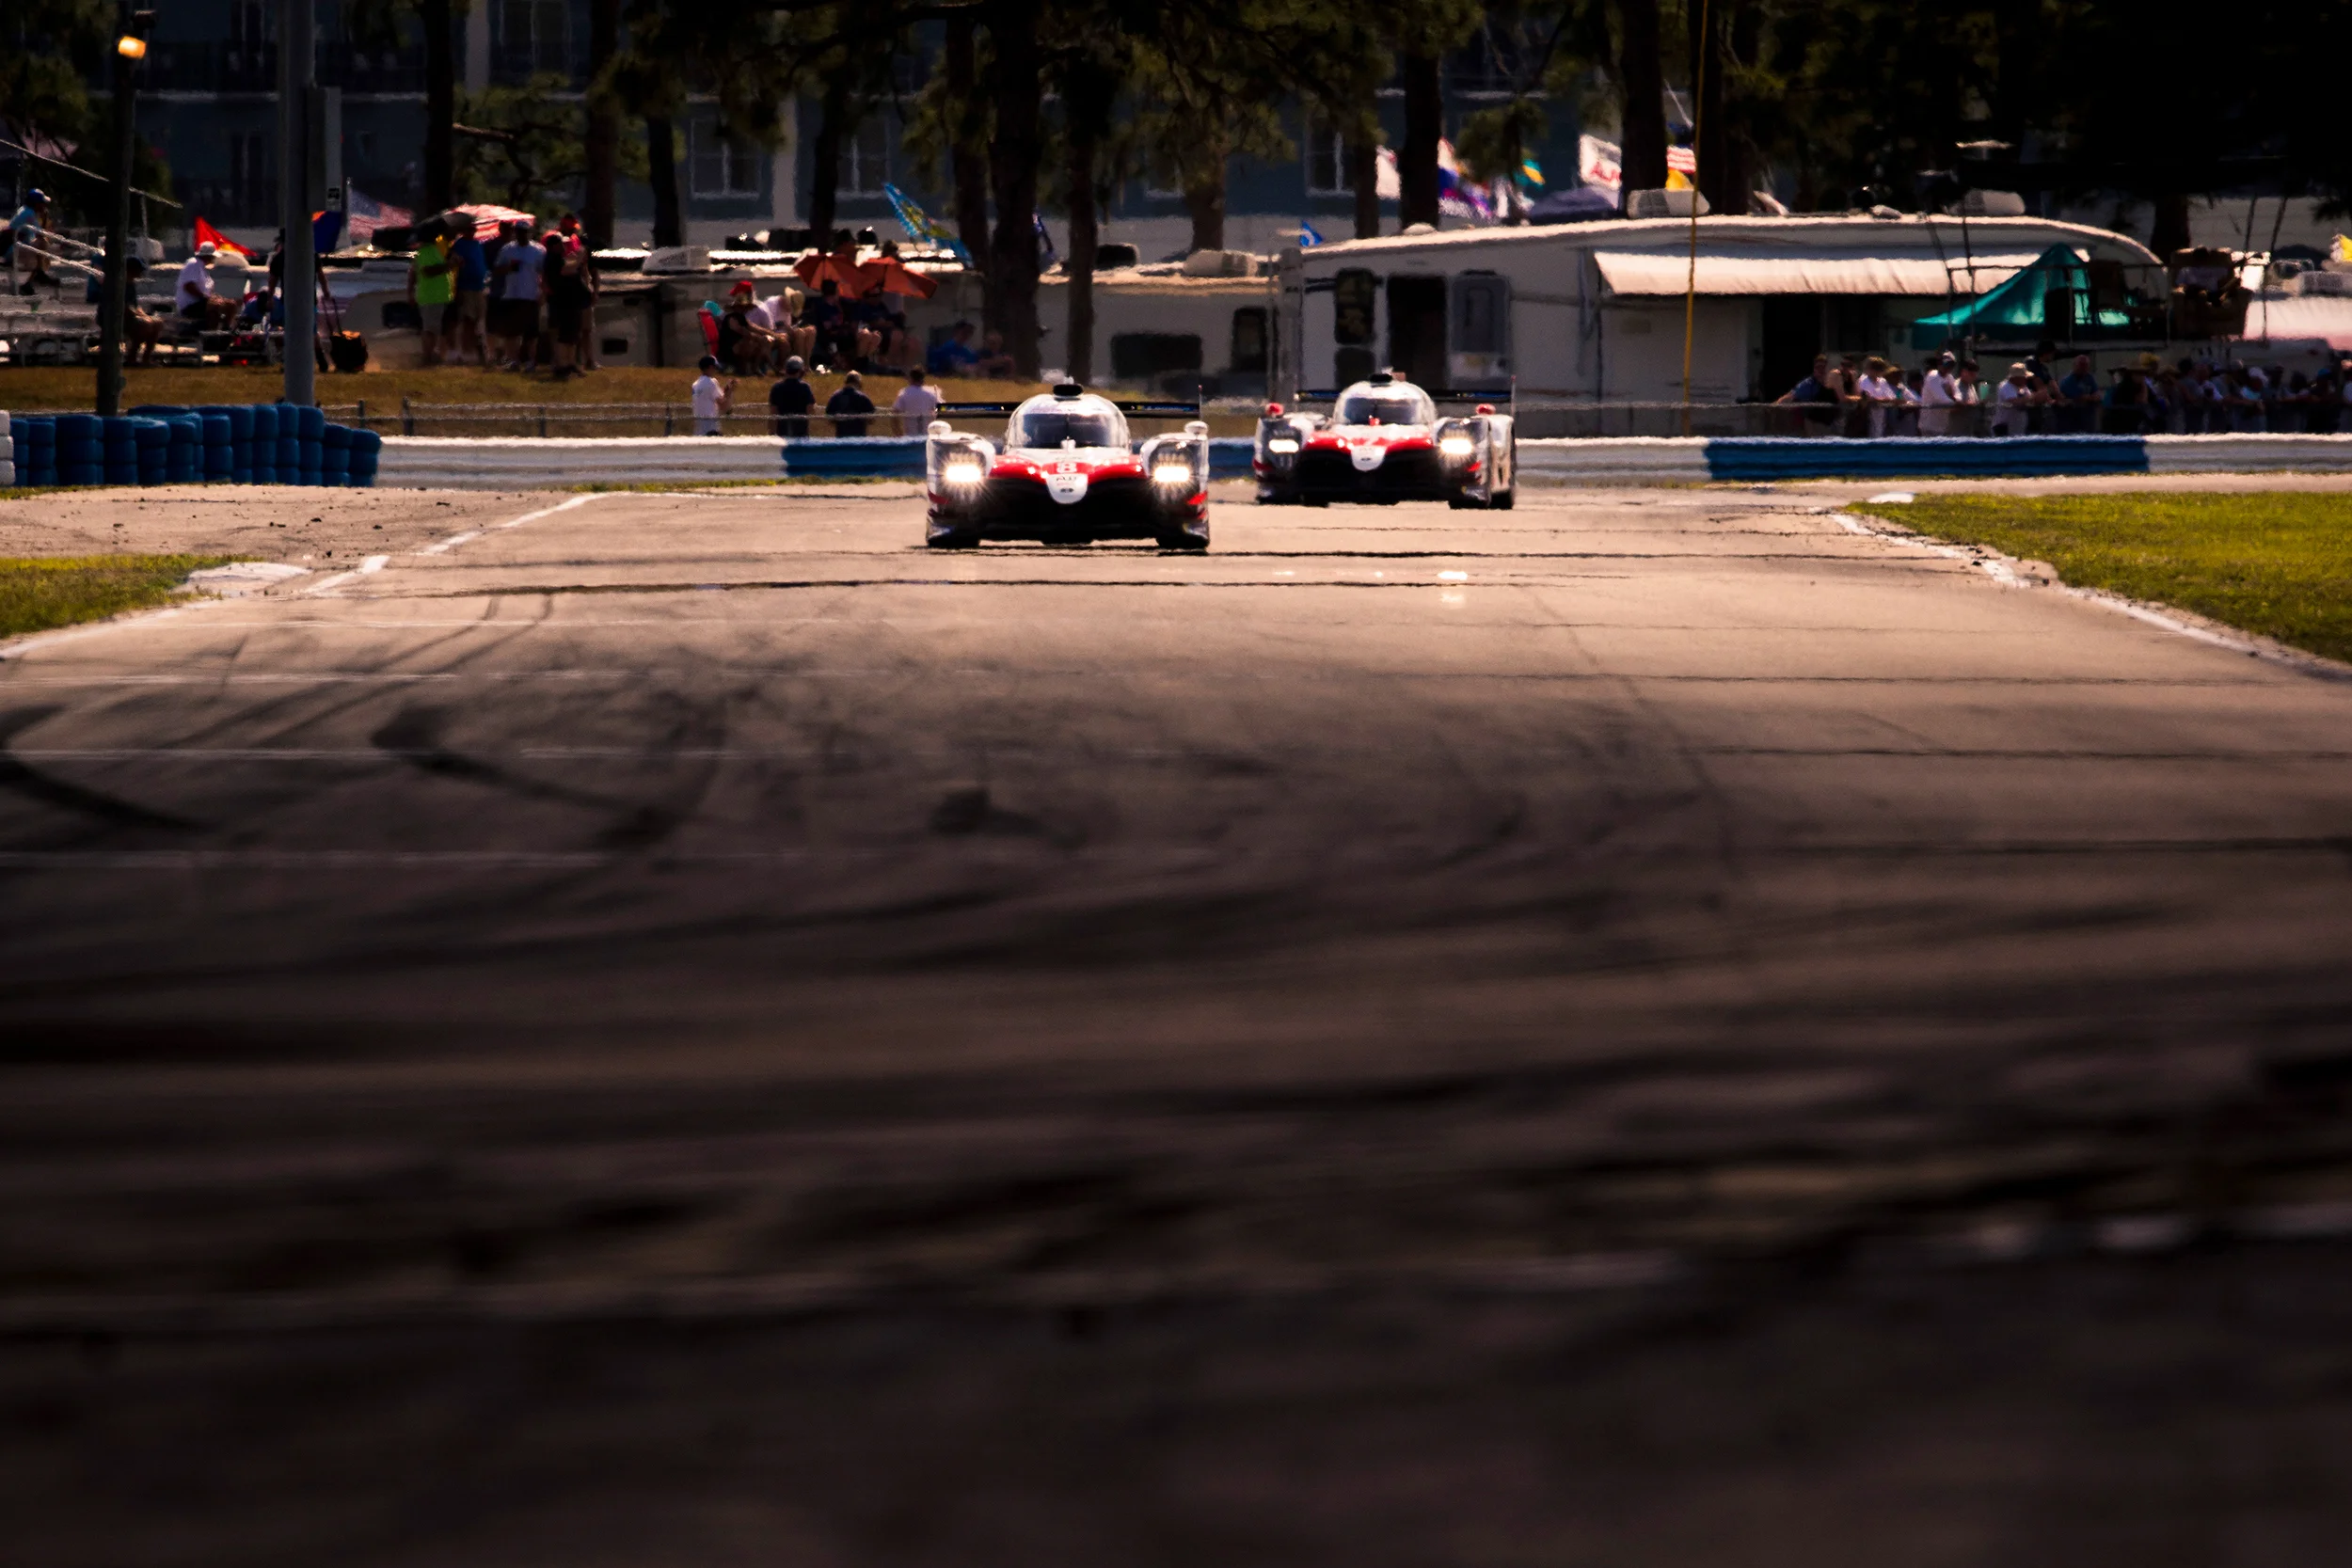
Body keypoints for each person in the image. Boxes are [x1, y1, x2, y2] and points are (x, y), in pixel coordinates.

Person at [490, 218, 546, 371]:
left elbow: (544, 273)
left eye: (525, 232)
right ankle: (513, 360)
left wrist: (543, 292)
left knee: (531, 332)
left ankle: (531, 361)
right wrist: (509, 267)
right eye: (519, 232)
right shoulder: (507, 249)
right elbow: (497, 269)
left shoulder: (538, 250)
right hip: (511, 294)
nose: (522, 235)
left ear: (530, 233)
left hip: (531, 295)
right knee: (512, 332)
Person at [545, 216, 596, 376]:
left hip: (572, 301)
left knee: (573, 334)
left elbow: (568, 263)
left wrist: (578, 256)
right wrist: (579, 256)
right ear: (553, 246)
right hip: (564, 301)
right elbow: (567, 270)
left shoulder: (559, 258)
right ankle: (563, 364)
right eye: (561, 244)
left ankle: (571, 362)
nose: (563, 246)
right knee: (565, 335)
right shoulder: (552, 259)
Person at [86, 257, 163, 362]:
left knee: (158, 323)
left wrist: (145, 316)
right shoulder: (117, 284)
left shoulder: (131, 284)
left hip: (128, 317)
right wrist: (142, 317)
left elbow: (134, 306)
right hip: (113, 319)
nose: (141, 273)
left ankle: (146, 358)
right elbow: (122, 306)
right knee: (145, 325)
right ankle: (132, 357)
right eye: (138, 270)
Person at [407, 220, 453, 364]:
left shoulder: (428, 250)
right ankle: (427, 357)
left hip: (435, 296)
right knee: (430, 329)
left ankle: (430, 355)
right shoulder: (427, 251)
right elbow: (427, 271)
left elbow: (413, 274)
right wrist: (449, 265)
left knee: (433, 328)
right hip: (432, 296)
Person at [1773, 355, 1843, 436]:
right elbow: (1790, 396)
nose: (1821, 370)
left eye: (1823, 367)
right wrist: (1774, 406)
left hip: (1832, 423)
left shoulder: (1834, 382)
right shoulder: (1808, 384)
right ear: (1814, 369)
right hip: (1814, 423)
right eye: (1818, 367)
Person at [8, 189, 56, 293]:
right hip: (12, 250)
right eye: (42, 203)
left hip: (14, 247)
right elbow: (40, 234)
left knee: (41, 248)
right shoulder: (29, 213)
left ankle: (33, 279)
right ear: (36, 203)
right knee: (42, 242)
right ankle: (38, 275)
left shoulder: (25, 210)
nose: (44, 206)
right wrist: (44, 218)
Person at [768, 355, 817, 437]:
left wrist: (771, 433)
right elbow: (811, 410)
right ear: (801, 372)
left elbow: (773, 412)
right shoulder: (804, 387)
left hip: (782, 435)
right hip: (800, 434)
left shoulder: (777, 387)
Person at [2054, 354, 2100, 435]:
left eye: (2086, 365)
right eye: (2081, 365)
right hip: (2071, 417)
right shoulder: (2067, 381)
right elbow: (2075, 398)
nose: (2083, 368)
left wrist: (2090, 398)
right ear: (2075, 366)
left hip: (2087, 418)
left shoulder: (2089, 378)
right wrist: (2085, 398)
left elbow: (2097, 395)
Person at [892, 365, 943, 436]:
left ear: (911, 378)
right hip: (927, 435)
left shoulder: (904, 393)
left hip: (910, 436)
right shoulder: (931, 393)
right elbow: (941, 408)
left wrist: (898, 432)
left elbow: (895, 413)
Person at [1991, 361, 2038, 436]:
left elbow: (2030, 400)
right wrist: (2033, 396)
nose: (2026, 379)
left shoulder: (2023, 387)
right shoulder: (2006, 386)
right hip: (2004, 428)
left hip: (2017, 428)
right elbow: (2015, 401)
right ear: (2016, 378)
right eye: (2024, 377)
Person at [1917, 354, 1959, 436]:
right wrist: (1957, 403)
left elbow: (1958, 394)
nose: (1947, 367)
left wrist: (1959, 400)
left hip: (1943, 426)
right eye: (1944, 364)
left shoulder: (1950, 377)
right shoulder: (1932, 376)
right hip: (1929, 426)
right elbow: (1941, 399)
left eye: (1950, 365)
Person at [825, 369, 877, 436]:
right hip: (859, 437)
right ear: (858, 382)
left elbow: (829, 418)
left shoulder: (836, 396)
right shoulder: (862, 397)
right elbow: (872, 419)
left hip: (841, 437)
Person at [690, 355, 733, 435]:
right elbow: (724, 407)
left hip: (698, 429)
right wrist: (729, 393)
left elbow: (709, 396)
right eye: (715, 368)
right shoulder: (711, 382)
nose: (716, 370)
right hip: (711, 428)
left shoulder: (695, 384)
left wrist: (725, 391)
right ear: (710, 367)